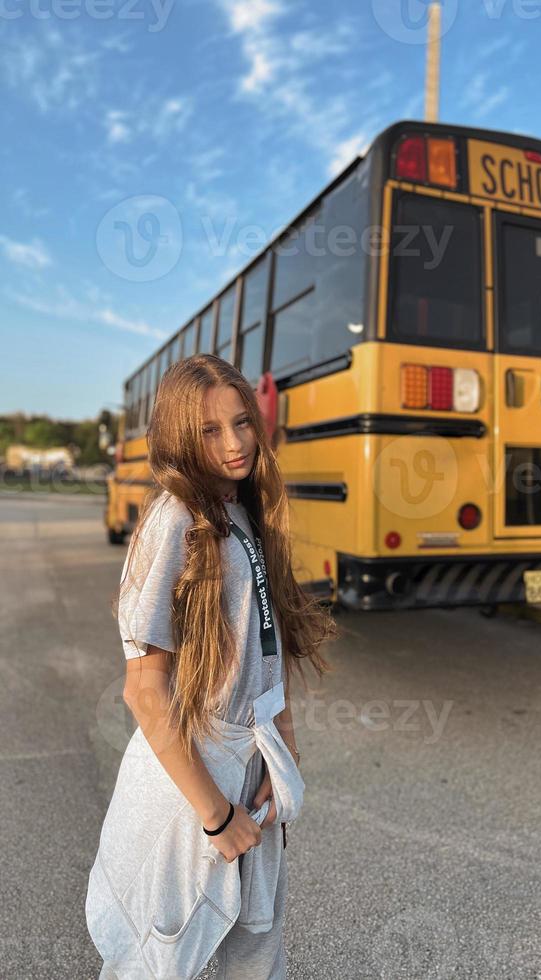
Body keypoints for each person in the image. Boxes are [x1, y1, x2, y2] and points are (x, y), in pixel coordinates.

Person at [88, 353, 337, 979]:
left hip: (249, 763)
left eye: (242, 423)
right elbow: (144, 691)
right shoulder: (174, 520)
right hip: (195, 779)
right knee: (161, 958)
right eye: (209, 431)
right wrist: (217, 817)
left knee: (256, 949)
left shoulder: (244, 512)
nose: (235, 444)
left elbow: (265, 645)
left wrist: (285, 749)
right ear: (179, 436)